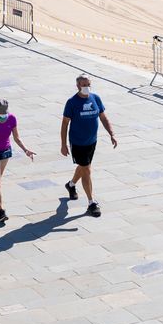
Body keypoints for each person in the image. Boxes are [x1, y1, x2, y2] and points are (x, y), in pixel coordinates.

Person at [61, 74, 118, 218]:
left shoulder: (96, 98)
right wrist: (63, 144)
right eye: (83, 85)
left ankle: (71, 184)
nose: (86, 87)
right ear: (78, 86)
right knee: (86, 169)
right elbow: (64, 124)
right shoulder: (72, 102)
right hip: (78, 142)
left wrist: (111, 133)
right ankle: (91, 202)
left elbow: (103, 117)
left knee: (84, 166)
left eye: (88, 84)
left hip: (92, 141)